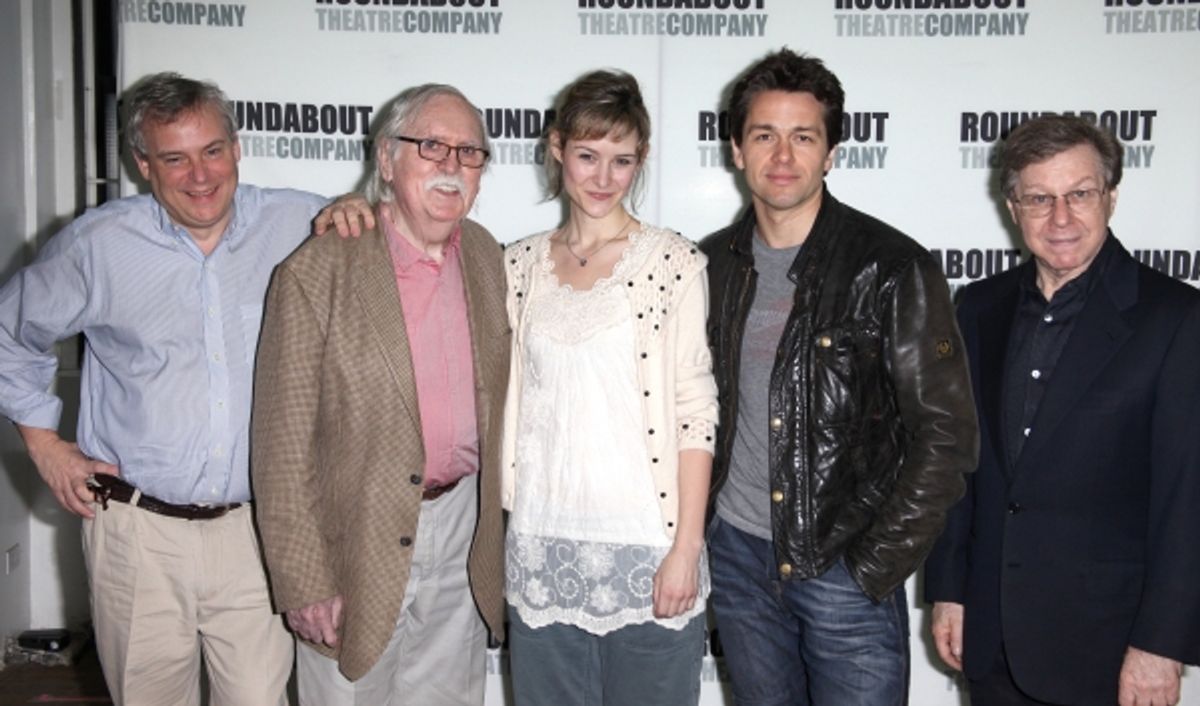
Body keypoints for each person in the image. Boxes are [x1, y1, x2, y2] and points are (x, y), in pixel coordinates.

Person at [0, 72, 324, 705]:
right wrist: (46, 445)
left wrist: (354, 211)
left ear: (237, 147)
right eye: (174, 158)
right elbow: (9, 333)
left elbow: (387, 251)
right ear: (143, 164)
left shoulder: (300, 222)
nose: (199, 175)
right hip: (137, 537)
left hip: (255, 533)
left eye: (212, 151)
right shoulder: (98, 247)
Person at [699, 48, 979, 705]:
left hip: (842, 569)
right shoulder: (708, 265)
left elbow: (946, 437)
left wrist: (871, 567)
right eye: (764, 135)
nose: (783, 155)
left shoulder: (889, 267)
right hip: (737, 563)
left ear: (831, 153)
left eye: (804, 136)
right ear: (737, 149)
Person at [924, 115, 1200, 706]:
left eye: (1079, 194)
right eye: (1040, 198)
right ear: (1012, 206)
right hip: (992, 638)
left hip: (1111, 649)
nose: (1061, 218)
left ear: (1111, 197)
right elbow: (958, 464)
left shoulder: (1176, 318)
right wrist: (951, 591)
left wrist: (1161, 644)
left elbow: (1188, 498)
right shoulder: (978, 306)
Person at [250, 83, 508, 706]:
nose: (451, 165)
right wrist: (304, 580)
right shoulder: (318, 270)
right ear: (387, 161)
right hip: (354, 543)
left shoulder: (490, 257)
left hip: (463, 535)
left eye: (469, 152)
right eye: (432, 146)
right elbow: (280, 446)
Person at [500, 69, 717, 706]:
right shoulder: (517, 267)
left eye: (621, 161)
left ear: (641, 160)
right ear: (556, 148)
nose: (602, 178)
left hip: (649, 554)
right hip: (542, 549)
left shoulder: (672, 262)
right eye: (587, 156)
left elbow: (695, 412)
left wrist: (686, 547)